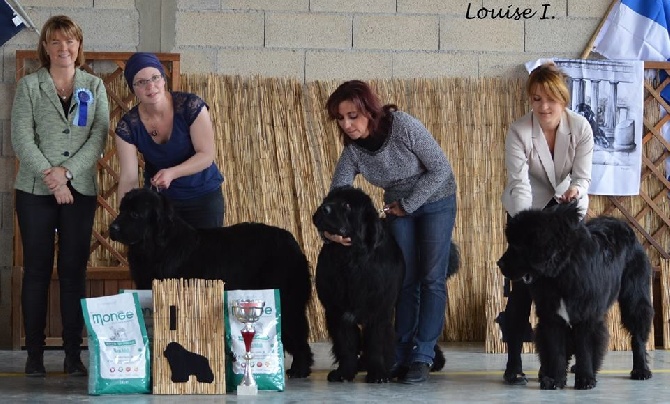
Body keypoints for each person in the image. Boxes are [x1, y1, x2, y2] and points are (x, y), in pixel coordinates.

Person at [323, 80, 458, 384]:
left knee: (432, 279)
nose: (346, 124)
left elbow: (440, 168)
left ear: (369, 111)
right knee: (404, 280)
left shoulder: (403, 125)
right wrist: (330, 234)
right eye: (340, 118)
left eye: (352, 116)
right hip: (399, 207)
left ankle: (422, 356)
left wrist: (409, 204)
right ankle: (398, 353)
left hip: (437, 200)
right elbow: (336, 197)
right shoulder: (354, 152)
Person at [11, 15, 110, 377]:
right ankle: (33, 354)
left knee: (73, 272)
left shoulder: (94, 86)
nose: (63, 48)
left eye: (69, 41)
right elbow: (22, 137)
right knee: (36, 271)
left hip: (80, 190)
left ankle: (73, 354)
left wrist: (67, 174)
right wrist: (53, 179)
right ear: (46, 48)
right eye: (55, 42)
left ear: (78, 46)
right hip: (36, 190)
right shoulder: (29, 86)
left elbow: (98, 137)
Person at [500, 62, 594, 385]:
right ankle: (513, 360)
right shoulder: (518, 131)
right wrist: (529, 230)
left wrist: (574, 192)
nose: (543, 106)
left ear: (563, 99)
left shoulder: (581, 128)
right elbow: (520, 183)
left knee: (565, 288)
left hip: (566, 209)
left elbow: (582, 177)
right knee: (524, 287)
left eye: (550, 98)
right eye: (536, 99)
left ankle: (553, 363)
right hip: (528, 209)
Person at [115, 52, 224, 229]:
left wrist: (173, 173)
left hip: (204, 197)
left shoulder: (190, 106)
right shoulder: (128, 126)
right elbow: (129, 178)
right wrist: (126, 217)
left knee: (206, 255)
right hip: (162, 205)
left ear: (164, 79)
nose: (151, 86)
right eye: (141, 82)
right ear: (133, 88)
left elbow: (206, 154)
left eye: (155, 78)